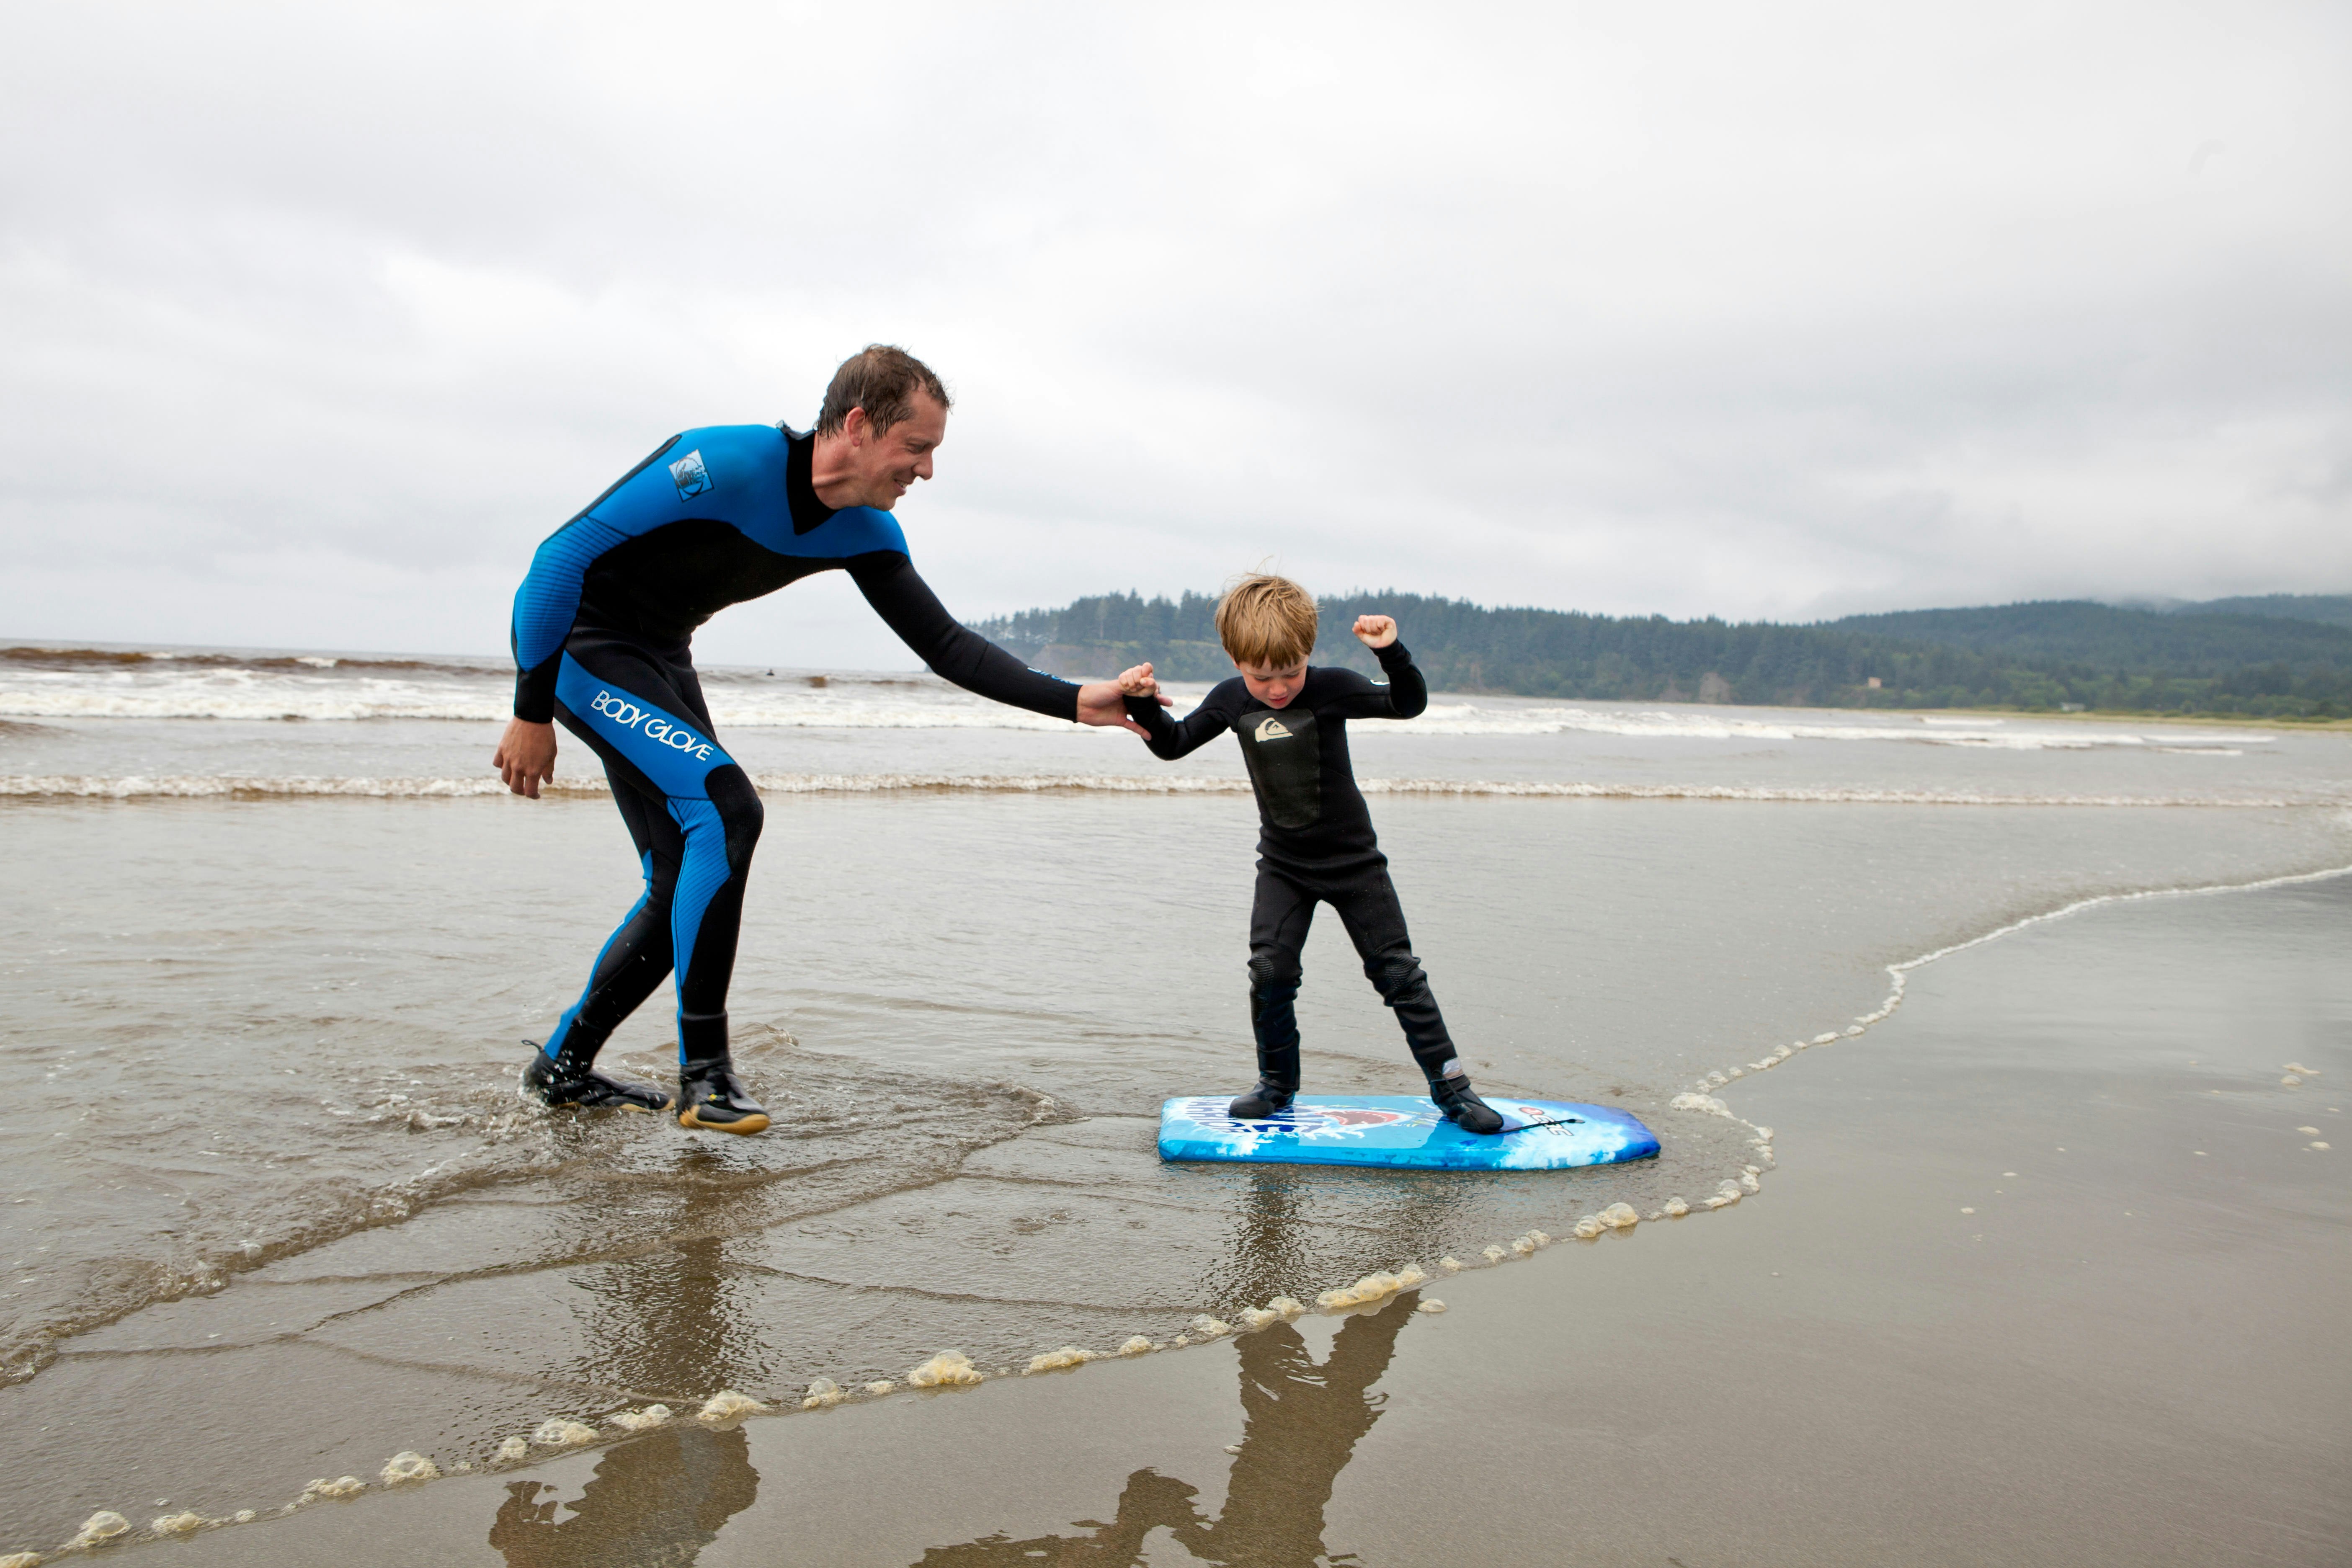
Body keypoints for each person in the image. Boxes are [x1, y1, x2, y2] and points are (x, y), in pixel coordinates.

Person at [493, 345, 1150, 1135]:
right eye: (918, 448)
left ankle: (561, 1069)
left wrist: (1080, 700)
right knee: (727, 812)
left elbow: (948, 648)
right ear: (858, 426)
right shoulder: (724, 461)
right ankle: (705, 1074)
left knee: (686, 877)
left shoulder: (864, 531)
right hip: (577, 647)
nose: (928, 471)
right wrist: (531, 712)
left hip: (657, 655)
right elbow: (557, 561)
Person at [1115, 575, 1504, 1133]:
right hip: (1284, 867)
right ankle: (1276, 1085)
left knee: (1398, 975)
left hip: (1354, 866)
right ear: (1235, 658)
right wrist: (1143, 704)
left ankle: (1453, 1089)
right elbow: (1174, 744)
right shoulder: (1230, 699)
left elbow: (1406, 703)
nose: (1277, 690)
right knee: (1270, 971)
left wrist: (1391, 652)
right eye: (1262, 677)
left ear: (1309, 654)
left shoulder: (1332, 688)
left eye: (1290, 673)